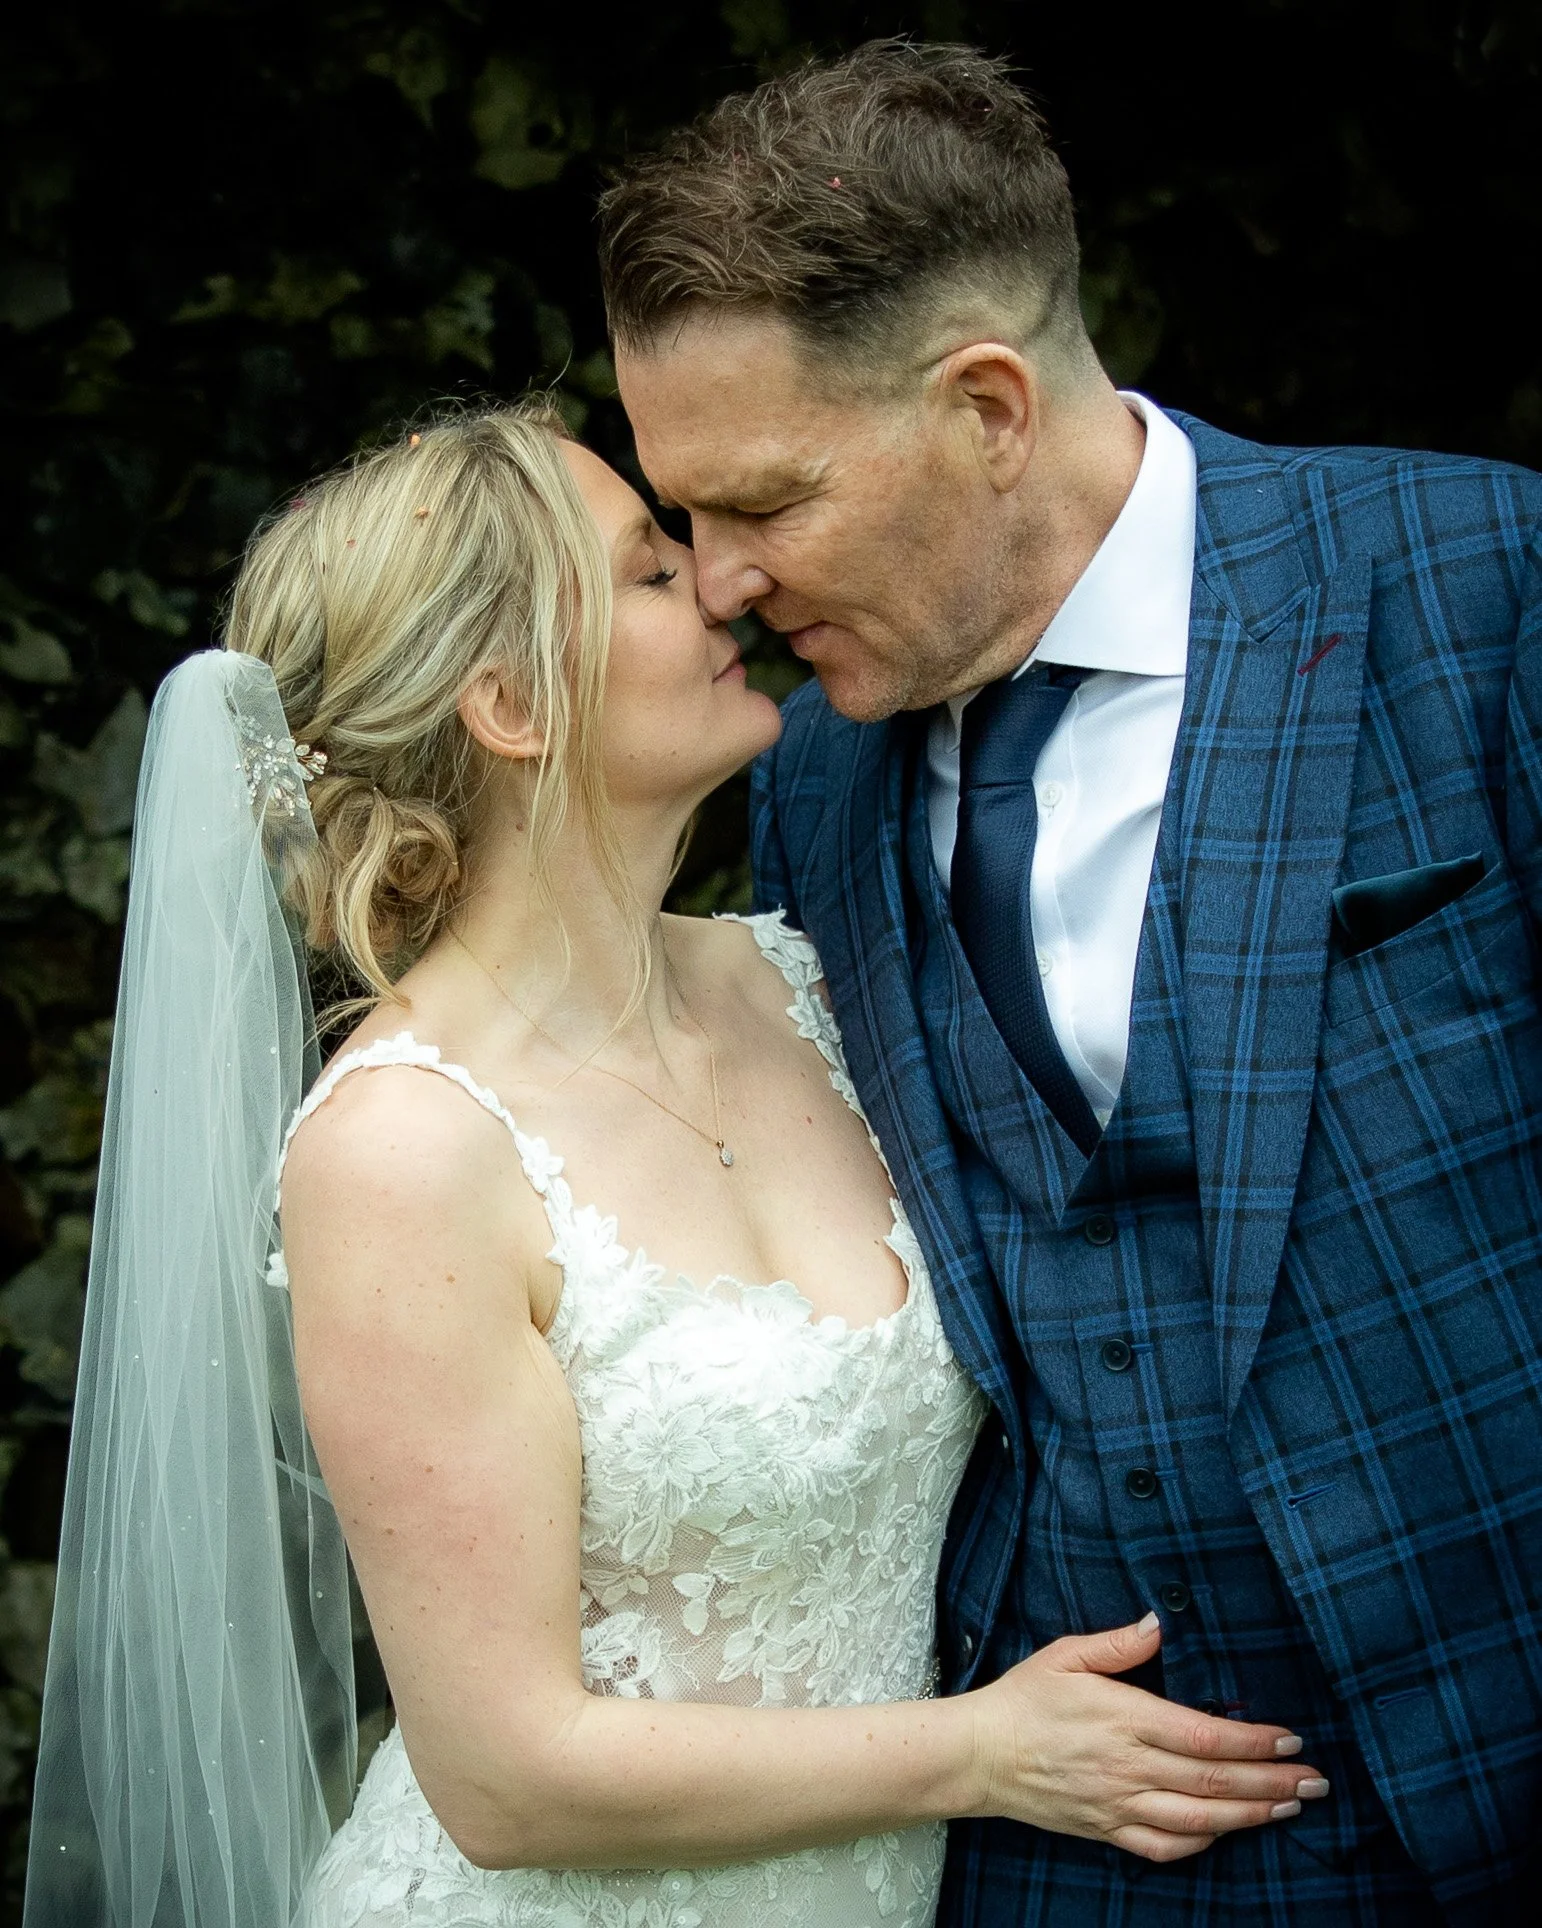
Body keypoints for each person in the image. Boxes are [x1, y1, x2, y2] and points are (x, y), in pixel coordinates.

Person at [23, 402, 1323, 1928]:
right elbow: (505, 1779)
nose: (721, 587)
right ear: (510, 701)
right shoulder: (403, 1152)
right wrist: (984, 1752)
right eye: (647, 571)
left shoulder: (817, 983)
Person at [597, 36, 1542, 1928]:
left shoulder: (1482, 584)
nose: (714, 585)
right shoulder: (811, 774)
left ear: (988, 407)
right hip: (1074, 1831)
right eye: (678, 515)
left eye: (762, 503)